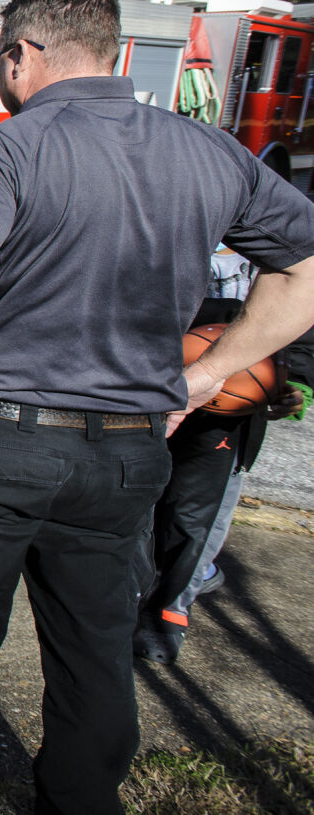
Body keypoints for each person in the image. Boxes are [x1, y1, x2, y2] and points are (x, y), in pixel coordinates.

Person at [0, 0, 314, 815]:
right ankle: (78, 799)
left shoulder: (7, 148)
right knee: (94, 648)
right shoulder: (207, 150)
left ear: (25, 55)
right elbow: (304, 268)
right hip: (127, 455)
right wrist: (208, 374)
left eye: (0, 57)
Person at [133, 248, 302, 664]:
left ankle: (167, 612)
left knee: (194, 518)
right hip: (148, 388)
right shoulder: (167, 229)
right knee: (133, 505)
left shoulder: (287, 251)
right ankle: (126, 599)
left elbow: (304, 343)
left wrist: (293, 386)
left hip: (227, 417)